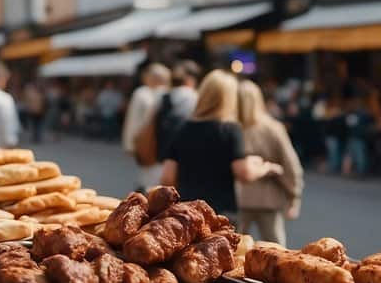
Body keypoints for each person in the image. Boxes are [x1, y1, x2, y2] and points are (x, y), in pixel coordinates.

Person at [159, 70, 282, 224]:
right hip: (220, 214)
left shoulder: (182, 127)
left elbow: (167, 177)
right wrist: (265, 167)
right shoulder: (229, 129)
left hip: (186, 213)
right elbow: (244, 173)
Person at [234, 80, 303, 245]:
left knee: (233, 250)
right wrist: (294, 196)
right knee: (276, 249)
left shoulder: (230, 128)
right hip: (268, 197)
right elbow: (290, 164)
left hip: (237, 196)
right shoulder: (272, 127)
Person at [122, 63, 170, 191]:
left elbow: (132, 120)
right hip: (159, 145)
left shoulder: (142, 93)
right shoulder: (166, 94)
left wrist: (129, 145)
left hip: (147, 143)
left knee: (148, 178)